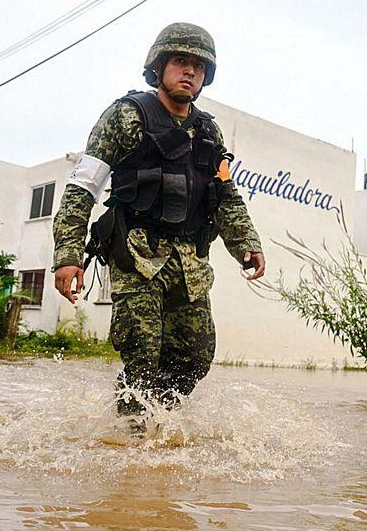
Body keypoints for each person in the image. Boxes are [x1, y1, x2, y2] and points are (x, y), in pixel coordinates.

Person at [51, 22, 265, 431]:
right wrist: (68, 255)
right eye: (181, 62)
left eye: (199, 67)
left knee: (195, 358)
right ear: (160, 66)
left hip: (190, 265)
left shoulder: (207, 131)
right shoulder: (126, 116)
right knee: (143, 355)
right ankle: (130, 443)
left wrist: (246, 244)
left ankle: (156, 427)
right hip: (137, 257)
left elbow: (226, 195)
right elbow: (83, 186)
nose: (190, 72)